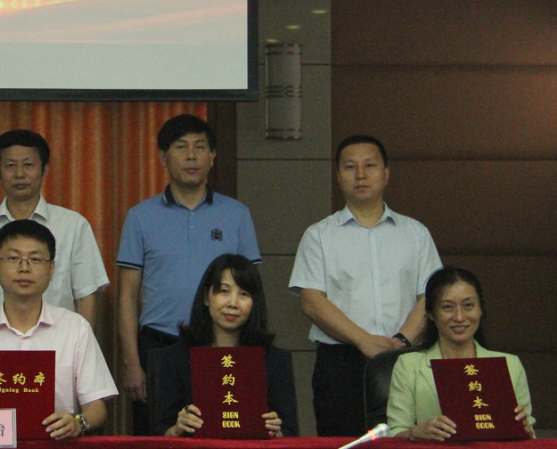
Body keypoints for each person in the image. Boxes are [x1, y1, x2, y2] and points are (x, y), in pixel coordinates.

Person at [289, 134, 442, 436]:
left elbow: (432, 297)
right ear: (338, 176)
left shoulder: (415, 233)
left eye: (370, 165)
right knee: (344, 441)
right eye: (350, 167)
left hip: (406, 357)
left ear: (386, 173)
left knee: (411, 440)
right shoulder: (319, 235)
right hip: (341, 363)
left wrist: (401, 341)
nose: (360, 175)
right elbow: (312, 301)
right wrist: (363, 340)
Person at [116, 114, 260, 434]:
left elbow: (252, 290)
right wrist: (133, 364)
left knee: (221, 435)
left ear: (213, 156)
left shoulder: (237, 214)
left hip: (221, 346)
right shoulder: (140, 216)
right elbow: (126, 296)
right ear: (162, 157)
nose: (191, 156)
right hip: (158, 347)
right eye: (181, 147)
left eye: (200, 147)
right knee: (156, 437)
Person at [0, 220, 117, 439]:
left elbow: (97, 408)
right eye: (13, 258)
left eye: (35, 259)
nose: (24, 267)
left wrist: (77, 423)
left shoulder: (76, 329)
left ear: (51, 269)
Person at [0, 129, 108, 328]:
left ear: (45, 170)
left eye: (28, 165)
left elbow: (86, 297)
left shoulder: (74, 225)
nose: (19, 174)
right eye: (10, 166)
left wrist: (80, 343)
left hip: (57, 343)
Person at [154, 254, 298, 438]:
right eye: (224, 291)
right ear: (206, 297)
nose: (233, 303)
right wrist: (176, 429)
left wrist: (277, 432)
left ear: (255, 303)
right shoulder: (177, 358)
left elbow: (290, 431)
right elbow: (159, 432)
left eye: (244, 294)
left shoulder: (275, 360)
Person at [387, 267, 534, 440]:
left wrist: (524, 430)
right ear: (431, 313)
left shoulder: (510, 365)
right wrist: (416, 433)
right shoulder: (408, 365)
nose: (459, 317)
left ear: (480, 309)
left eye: (468, 306)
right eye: (447, 307)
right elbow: (394, 433)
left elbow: (530, 437)